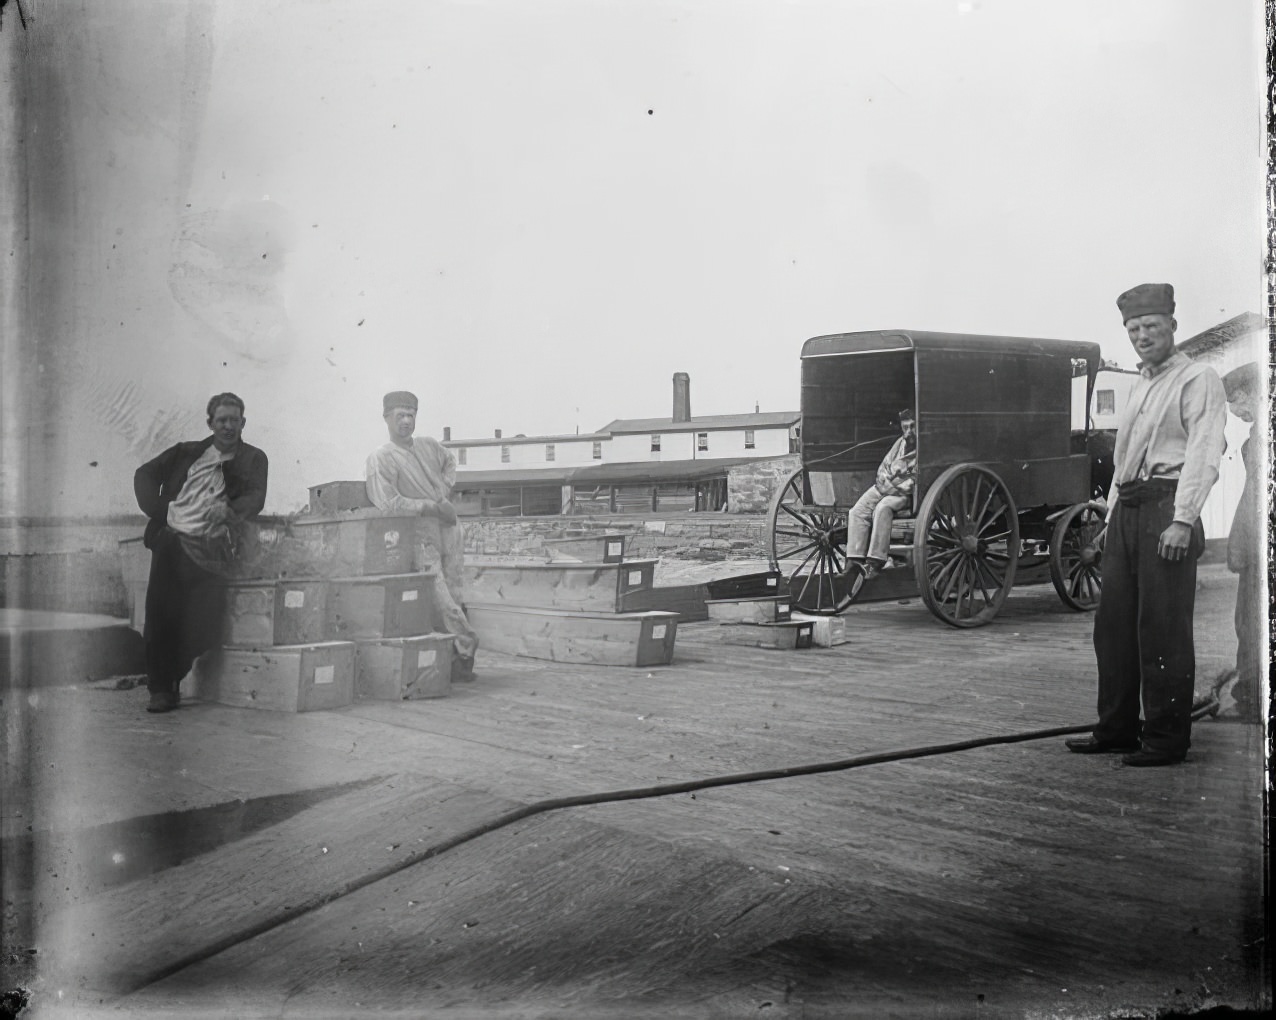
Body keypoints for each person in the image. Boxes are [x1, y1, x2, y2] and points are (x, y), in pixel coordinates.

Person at [1066, 283, 1226, 766]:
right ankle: (1116, 729)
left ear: (1172, 327)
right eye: (1133, 329)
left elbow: (1203, 453)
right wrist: (1110, 515)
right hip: (1129, 511)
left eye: (1151, 327)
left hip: (1166, 510)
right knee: (1112, 627)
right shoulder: (1140, 385)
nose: (1142, 336)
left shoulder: (1197, 378)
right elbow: (1125, 459)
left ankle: (1164, 738)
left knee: (1162, 628)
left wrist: (1183, 520)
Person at [133, 393, 268, 713]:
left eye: (234, 420)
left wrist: (227, 514)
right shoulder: (186, 452)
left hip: (216, 547)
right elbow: (144, 475)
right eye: (221, 420)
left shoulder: (254, 458)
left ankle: (175, 672)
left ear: (243, 423)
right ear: (210, 423)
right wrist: (165, 511)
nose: (228, 426)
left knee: (207, 623)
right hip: (171, 543)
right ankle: (161, 689)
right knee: (162, 613)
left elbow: (255, 498)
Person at [365, 390, 478, 681]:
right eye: (399, 415)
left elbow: (450, 463)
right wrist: (429, 506)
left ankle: (459, 661)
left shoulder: (429, 445)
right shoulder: (381, 457)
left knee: (455, 589)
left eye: (410, 414)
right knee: (439, 594)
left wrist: (443, 493)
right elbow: (388, 502)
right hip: (419, 529)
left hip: (449, 526)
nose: (405, 421)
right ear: (386, 417)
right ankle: (465, 645)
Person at [1219, 362, 1265, 723]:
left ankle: (1250, 699)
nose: (1235, 411)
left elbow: (1254, 499)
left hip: (1259, 552)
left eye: (1236, 402)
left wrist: (1238, 545)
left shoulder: (1260, 441)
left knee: (1250, 619)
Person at [845, 409, 917, 579]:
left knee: (882, 507)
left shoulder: (925, 449)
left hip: (904, 496)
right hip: (886, 487)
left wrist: (893, 484)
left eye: (912, 427)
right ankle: (854, 560)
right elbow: (883, 468)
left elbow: (913, 482)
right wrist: (888, 481)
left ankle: (876, 561)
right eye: (905, 428)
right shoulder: (900, 444)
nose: (908, 432)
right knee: (857, 511)